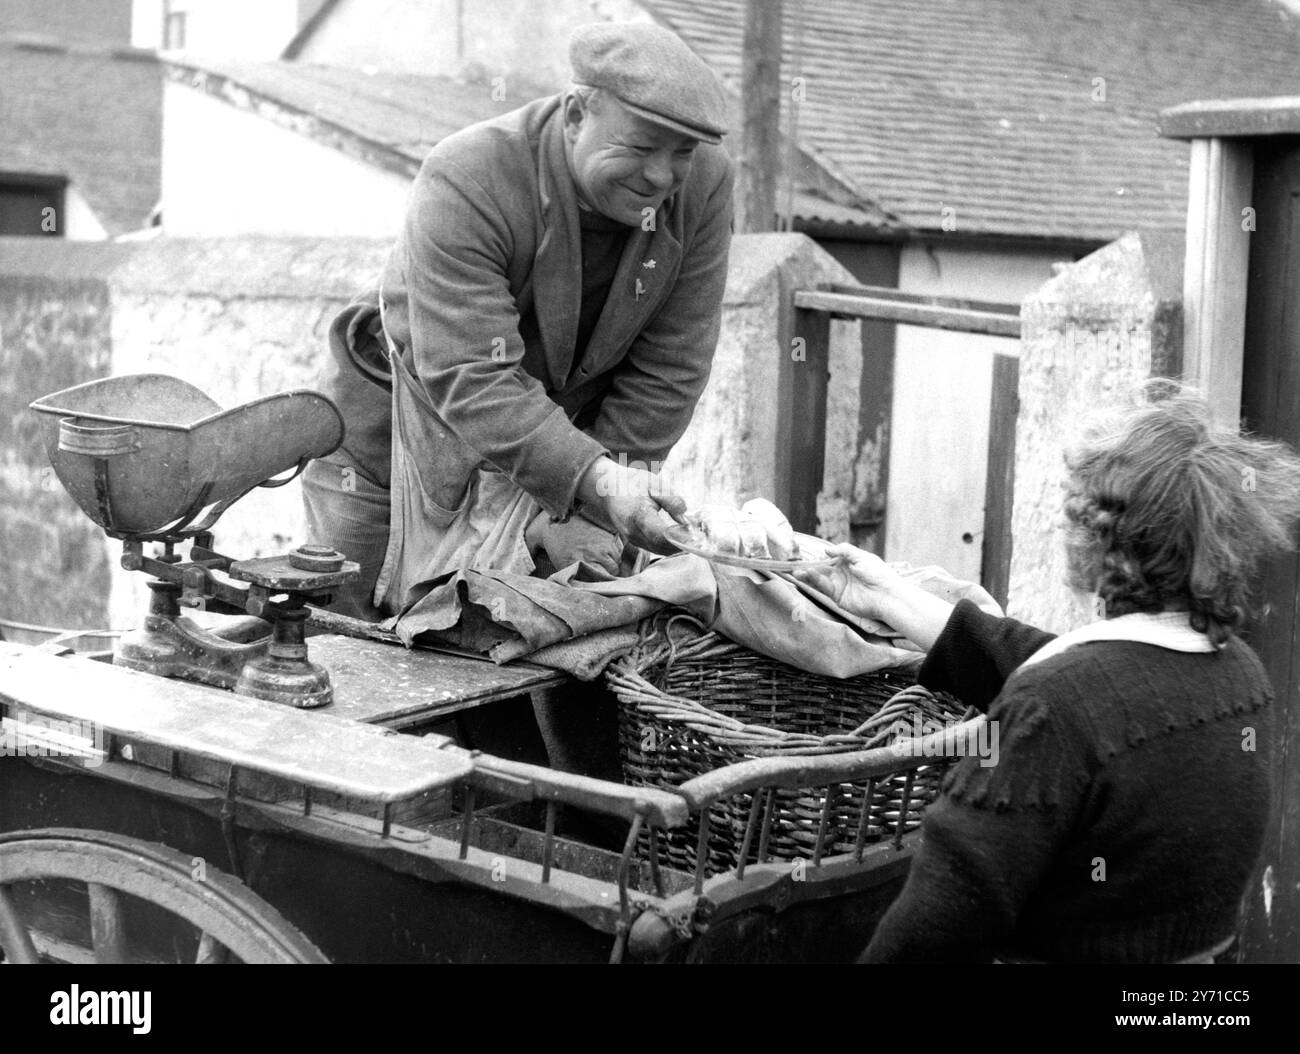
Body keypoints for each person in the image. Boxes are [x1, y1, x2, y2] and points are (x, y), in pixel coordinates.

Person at [799, 386, 1300, 963]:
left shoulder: (1057, 708)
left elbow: (930, 932)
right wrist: (885, 594)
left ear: (1097, 536)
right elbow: (1078, 674)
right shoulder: (1238, 676)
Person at [302, 22, 736, 620]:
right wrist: (600, 486)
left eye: (681, 153)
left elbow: (671, 365)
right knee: (350, 641)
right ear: (577, 114)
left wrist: (600, 504)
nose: (661, 176)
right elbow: (472, 372)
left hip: (553, 451)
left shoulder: (707, 185)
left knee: (516, 646)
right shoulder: (469, 173)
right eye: (639, 148)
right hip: (391, 434)